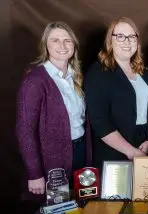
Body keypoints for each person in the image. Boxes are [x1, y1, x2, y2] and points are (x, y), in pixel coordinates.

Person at [16, 21, 89, 201]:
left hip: (80, 152)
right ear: (46, 45)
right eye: (55, 40)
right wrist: (35, 173)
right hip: (54, 159)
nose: (62, 46)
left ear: (74, 45)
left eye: (67, 40)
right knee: (59, 210)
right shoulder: (35, 80)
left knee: (81, 205)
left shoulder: (75, 76)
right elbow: (24, 130)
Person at [85, 17, 148, 171]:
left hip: (143, 147)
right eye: (120, 36)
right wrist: (131, 151)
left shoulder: (143, 72)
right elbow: (99, 121)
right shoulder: (99, 72)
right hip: (114, 150)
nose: (127, 41)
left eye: (131, 37)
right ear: (110, 40)